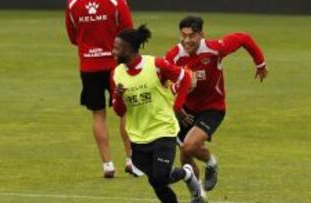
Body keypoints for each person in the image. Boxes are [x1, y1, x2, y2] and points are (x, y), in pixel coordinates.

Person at [165, 16, 268, 192]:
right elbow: (163, 83)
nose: (187, 40)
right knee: (185, 155)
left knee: (190, 146)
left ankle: (211, 164)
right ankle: (198, 195)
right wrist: (180, 87)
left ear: (201, 35)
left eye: (192, 36)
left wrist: (260, 63)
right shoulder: (173, 56)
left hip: (212, 108)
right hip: (186, 109)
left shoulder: (214, 49)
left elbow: (244, 38)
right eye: (183, 36)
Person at [111, 24, 206, 203]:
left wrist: (178, 107)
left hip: (163, 130)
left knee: (160, 177)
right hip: (138, 137)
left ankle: (187, 173)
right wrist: (118, 96)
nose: (112, 52)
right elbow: (119, 111)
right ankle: (186, 176)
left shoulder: (155, 65)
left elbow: (185, 77)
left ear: (128, 49)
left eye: (116, 48)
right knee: (157, 182)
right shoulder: (116, 74)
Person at [65, 0, 137, 178]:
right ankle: (131, 160)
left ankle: (107, 165)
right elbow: (129, 32)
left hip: (89, 66)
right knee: (125, 111)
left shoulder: (73, 4)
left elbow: (73, 38)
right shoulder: (116, 2)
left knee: (98, 113)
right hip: (116, 65)